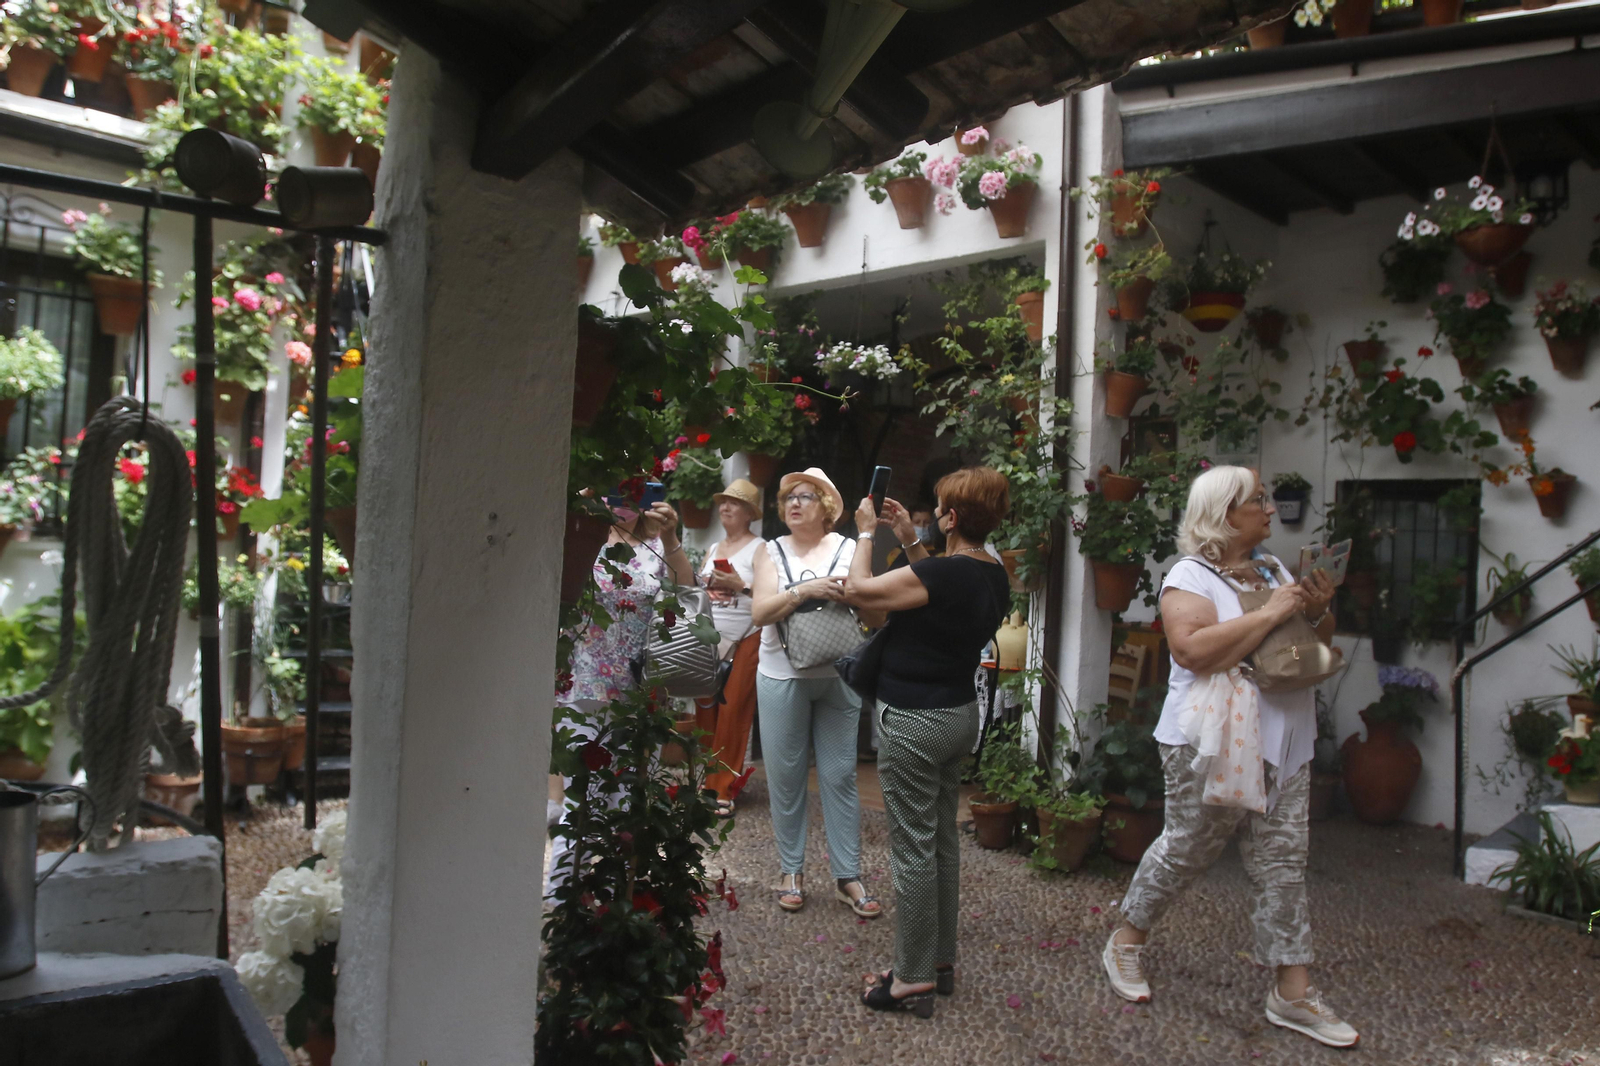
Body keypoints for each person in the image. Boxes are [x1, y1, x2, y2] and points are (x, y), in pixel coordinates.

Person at [1103, 465, 1356, 1048]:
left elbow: (1311, 642)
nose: (1270, 510)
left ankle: (1292, 992)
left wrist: (1316, 609)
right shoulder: (1188, 576)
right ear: (1223, 514)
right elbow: (1190, 651)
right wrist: (1269, 611)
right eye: (1258, 501)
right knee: (1188, 848)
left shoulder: (1271, 567)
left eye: (1268, 500)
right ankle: (1126, 940)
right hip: (1211, 741)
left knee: (1284, 862)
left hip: (1286, 737)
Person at [840, 467, 1011, 1018]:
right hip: (957, 714)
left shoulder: (946, 573)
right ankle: (937, 962)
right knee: (941, 844)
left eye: (938, 508)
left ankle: (910, 978)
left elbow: (858, 590)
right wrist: (913, 542)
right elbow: (938, 590)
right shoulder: (992, 573)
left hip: (914, 718)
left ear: (953, 517)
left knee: (913, 848)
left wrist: (868, 532)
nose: (933, 515)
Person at [749, 467, 884, 918]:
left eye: (805, 496)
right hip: (781, 677)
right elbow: (760, 613)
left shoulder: (849, 548)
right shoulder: (769, 552)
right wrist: (804, 590)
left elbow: (877, 613)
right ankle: (791, 870)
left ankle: (849, 875)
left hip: (838, 676)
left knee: (841, 777)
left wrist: (850, 595)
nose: (793, 502)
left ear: (826, 506)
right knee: (786, 780)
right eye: (788, 496)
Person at [546, 490, 696, 895]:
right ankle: (564, 889)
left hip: (638, 687)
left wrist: (671, 537)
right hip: (584, 678)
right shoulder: (582, 540)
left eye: (634, 496)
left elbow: (687, 593)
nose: (625, 505)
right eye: (617, 496)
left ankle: (615, 890)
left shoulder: (655, 548)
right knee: (582, 793)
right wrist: (579, 506)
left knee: (627, 795)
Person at [695, 478, 764, 817]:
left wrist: (740, 583)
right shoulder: (711, 549)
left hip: (747, 638)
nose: (724, 508)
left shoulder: (761, 549)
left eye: (734, 503)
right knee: (705, 710)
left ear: (750, 512)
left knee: (734, 711)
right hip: (709, 640)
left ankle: (723, 788)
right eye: (723, 502)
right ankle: (706, 781)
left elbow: (768, 594)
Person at [885, 502, 940, 568]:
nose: (921, 526)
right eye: (917, 522)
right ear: (909, 523)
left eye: (926, 522)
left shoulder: (941, 554)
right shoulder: (897, 553)